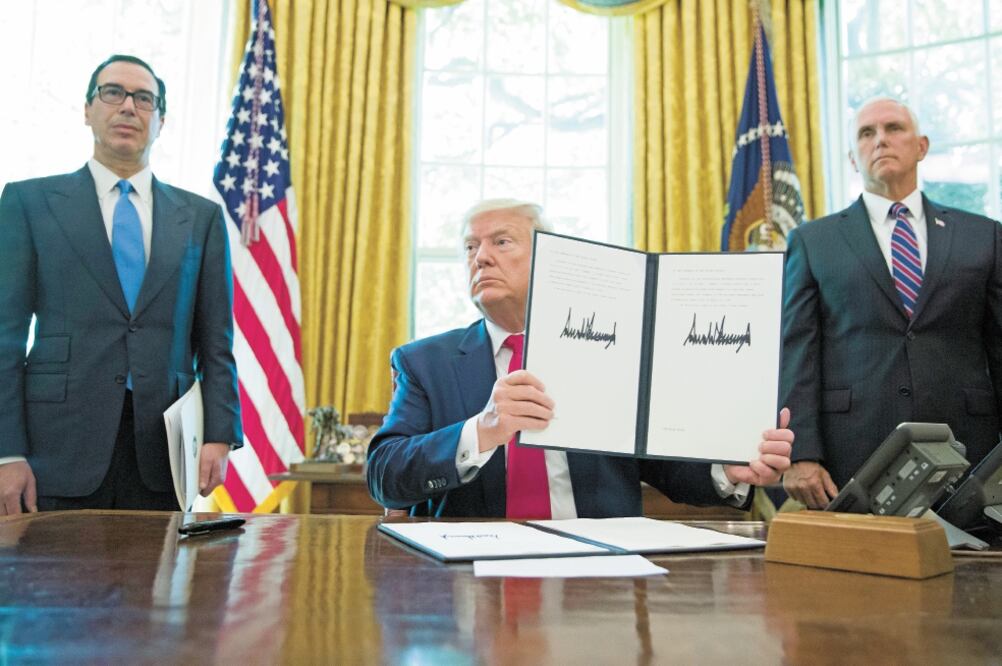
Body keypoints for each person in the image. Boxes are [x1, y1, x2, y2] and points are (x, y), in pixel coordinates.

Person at [367, 199, 793, 518]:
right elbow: (383, 476)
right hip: (474, 579)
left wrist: (726, 468)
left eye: (501, 242)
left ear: (550, 259)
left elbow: (661, 463)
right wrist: (480, 431)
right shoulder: (424, 363)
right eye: (470, 247)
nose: (480, 257)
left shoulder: (613, 347)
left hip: (598, 579)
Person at [0, 55, 242, 514]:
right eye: (113, 93)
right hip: (54, 449)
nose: (128, 107)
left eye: (144, 99)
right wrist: (6, 453)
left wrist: (219, 434)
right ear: (88, 109)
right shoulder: (28, 202)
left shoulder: (201, 219)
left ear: (161, 120)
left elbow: (215, 341)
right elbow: (3, 338)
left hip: (164, 451)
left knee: (157, 585)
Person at [781, 97, 1002, 508]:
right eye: (867, 133)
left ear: (921, 146)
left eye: (893, 128)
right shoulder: (814, 242)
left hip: (970, 453)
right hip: (852, 453)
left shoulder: (983, 236)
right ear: (853, 158)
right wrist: (801, 452)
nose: (880, 140)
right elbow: (797, 352)